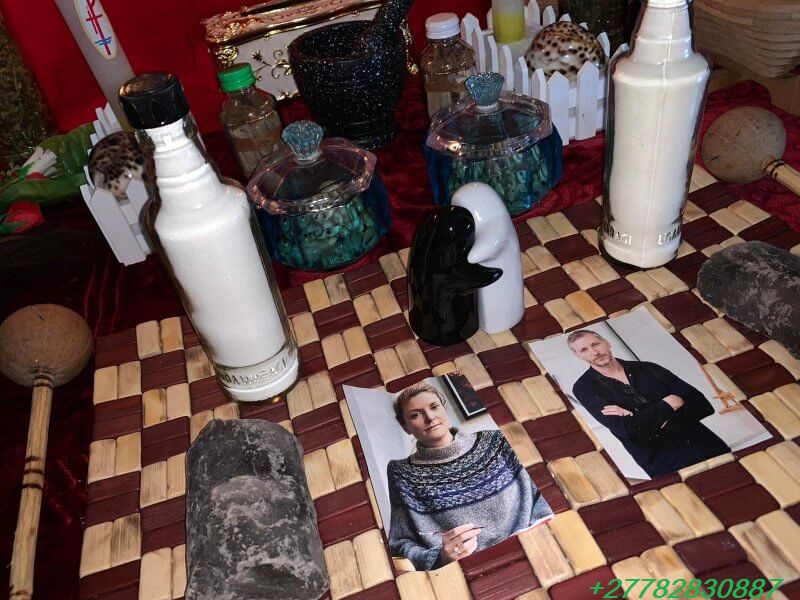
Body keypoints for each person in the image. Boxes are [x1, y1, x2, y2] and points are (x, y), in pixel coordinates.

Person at [386, 382, 552, 571]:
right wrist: (441, 557)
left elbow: (540, 490)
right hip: (473, 570)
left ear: (444, 408)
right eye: (415, 415)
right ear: (405, 426)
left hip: (536, 545)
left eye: (434, 407)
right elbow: (400, 543)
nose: (430, 417)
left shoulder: (496, 440)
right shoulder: (401, 473)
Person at [568, 329, 730, 478]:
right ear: (578, 356)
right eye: (584, 350)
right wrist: (668, 405)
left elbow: (702, 405)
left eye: (595, 344)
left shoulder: (648, 368)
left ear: (607, 343)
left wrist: (638, 418)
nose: (594, 352)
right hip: (665, 464)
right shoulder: (584, 388)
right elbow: (627, 430)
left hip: (708, 447)